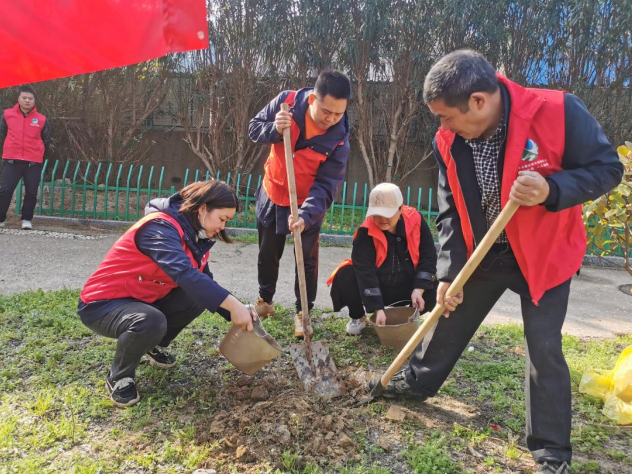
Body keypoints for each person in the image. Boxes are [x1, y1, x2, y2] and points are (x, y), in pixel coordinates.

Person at [377, 50, 624, 474]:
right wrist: (449, 274)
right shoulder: (449, 141)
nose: (442, 126)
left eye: (446, 116)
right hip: (485, 251)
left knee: (543, 347)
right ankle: (416, 383)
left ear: (477, 101)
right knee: (449, 314)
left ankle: (551, 452)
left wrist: (552, 189)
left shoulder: (557, 111)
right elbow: (451, 208)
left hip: (543, 256)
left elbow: (607, 169)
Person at [78, 180, 256, 408]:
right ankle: (119, 376)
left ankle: (151, 345)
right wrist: (234, 307)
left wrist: (237, 309)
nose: (222, 226)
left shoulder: (192, 236)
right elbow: (184, 273)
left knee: (196, 295)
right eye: (222, 219)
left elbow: (204, 282)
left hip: (141, 300)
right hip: (102, 304)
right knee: (150, 321)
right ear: (203, 208)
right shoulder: (159, 228)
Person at [248, 69, 351, 338]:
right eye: (326, 111)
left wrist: (306, 215)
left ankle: (303, 312)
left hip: (307, 203)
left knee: (305, 260)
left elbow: (327, 186)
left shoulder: (339, 140)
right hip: (273, 191)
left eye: (338, 113)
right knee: (267, 253)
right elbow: (253, 128)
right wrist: (274, 128)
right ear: (313, 99)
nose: (331, 118)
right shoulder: (287, 102)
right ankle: (265, 301)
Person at [328, 183, 437, 336]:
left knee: (435, 282)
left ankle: (411, 316)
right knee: (345, 274)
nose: (382, 219)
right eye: (377, 214)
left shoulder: (416, 221)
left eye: (388, 213)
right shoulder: (365, 233)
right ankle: (358, 318)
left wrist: (419, 289)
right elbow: (365, 272)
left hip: (408, 285)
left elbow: (428, 256)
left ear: (400, 209)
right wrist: (377, 308)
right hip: (378, 286)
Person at [0, 85, 51, 230]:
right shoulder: (7, 115)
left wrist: (36, 152)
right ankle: (1, 218)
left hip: (33, 162)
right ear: (18, 98)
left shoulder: (41, 119)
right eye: (24, 98)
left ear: (34, 100)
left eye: (30, 98)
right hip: (12, 160)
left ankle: (27, 219)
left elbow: (46, 140)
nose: (27, 100)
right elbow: (2, 134)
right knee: (5, 190)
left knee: (31, 191)